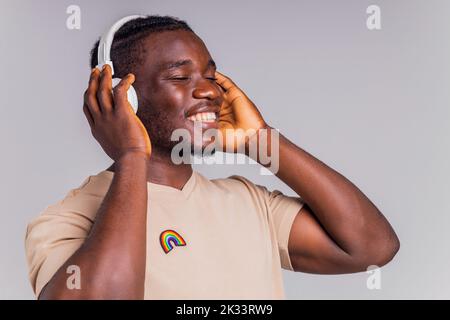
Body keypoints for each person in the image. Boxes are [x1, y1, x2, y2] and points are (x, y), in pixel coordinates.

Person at [25, 15, 399, 299]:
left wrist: (261, 140)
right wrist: (131, 156)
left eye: (210, 75)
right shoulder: (65, 220)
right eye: (179, 77)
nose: (208, 91)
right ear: (121, 97)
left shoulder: (249, 202)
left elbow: (371, 248)